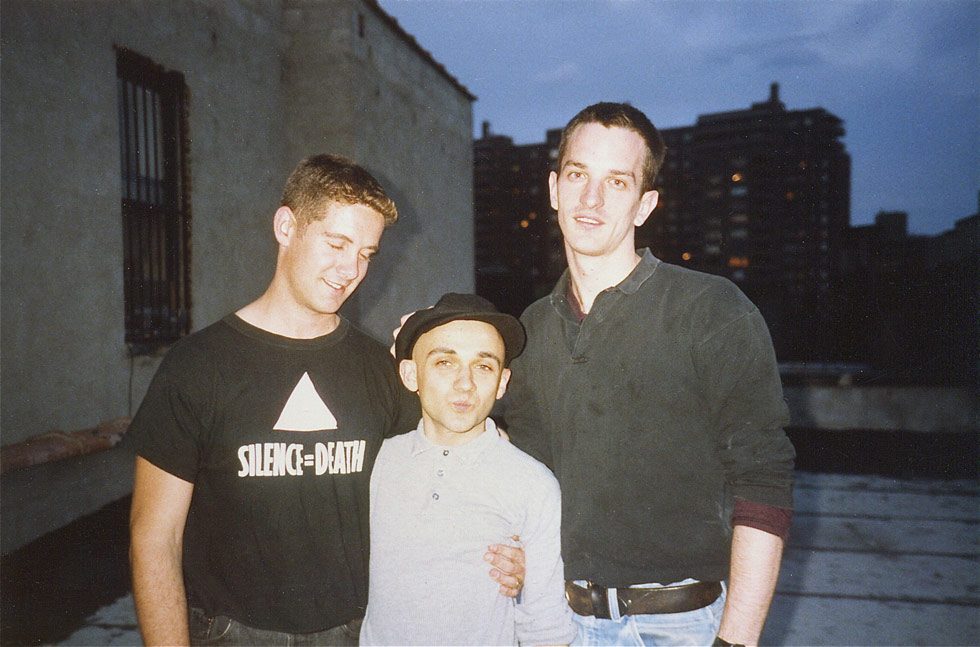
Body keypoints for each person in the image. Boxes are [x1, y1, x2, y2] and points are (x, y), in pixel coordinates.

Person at [127, 154, 524, 646]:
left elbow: (462, 450)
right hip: (232, 634)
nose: (350, 269)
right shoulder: (196, 366)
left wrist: (512, 542)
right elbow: (153, 541)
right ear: (286, 226)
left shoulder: (380, 369)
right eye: (336, 243)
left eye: (366, 253)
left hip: (358, 632)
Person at [500, 103, 796, 647]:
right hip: (556, 622)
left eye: (617, 182)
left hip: (680, 625)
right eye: (577, 175)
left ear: (645, 204)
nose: (591, 200)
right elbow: (526, 477)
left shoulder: (711, 309)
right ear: (552, 189)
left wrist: (737, 641)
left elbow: (764, 478)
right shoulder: (531, 329)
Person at [360, 293, 577, 646]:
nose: (465, 383)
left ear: (502, 382)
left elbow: (545, 627)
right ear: (410, 374)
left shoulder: (532, 483)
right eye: (445, 362)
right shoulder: (378, 462)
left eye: (484, 366)